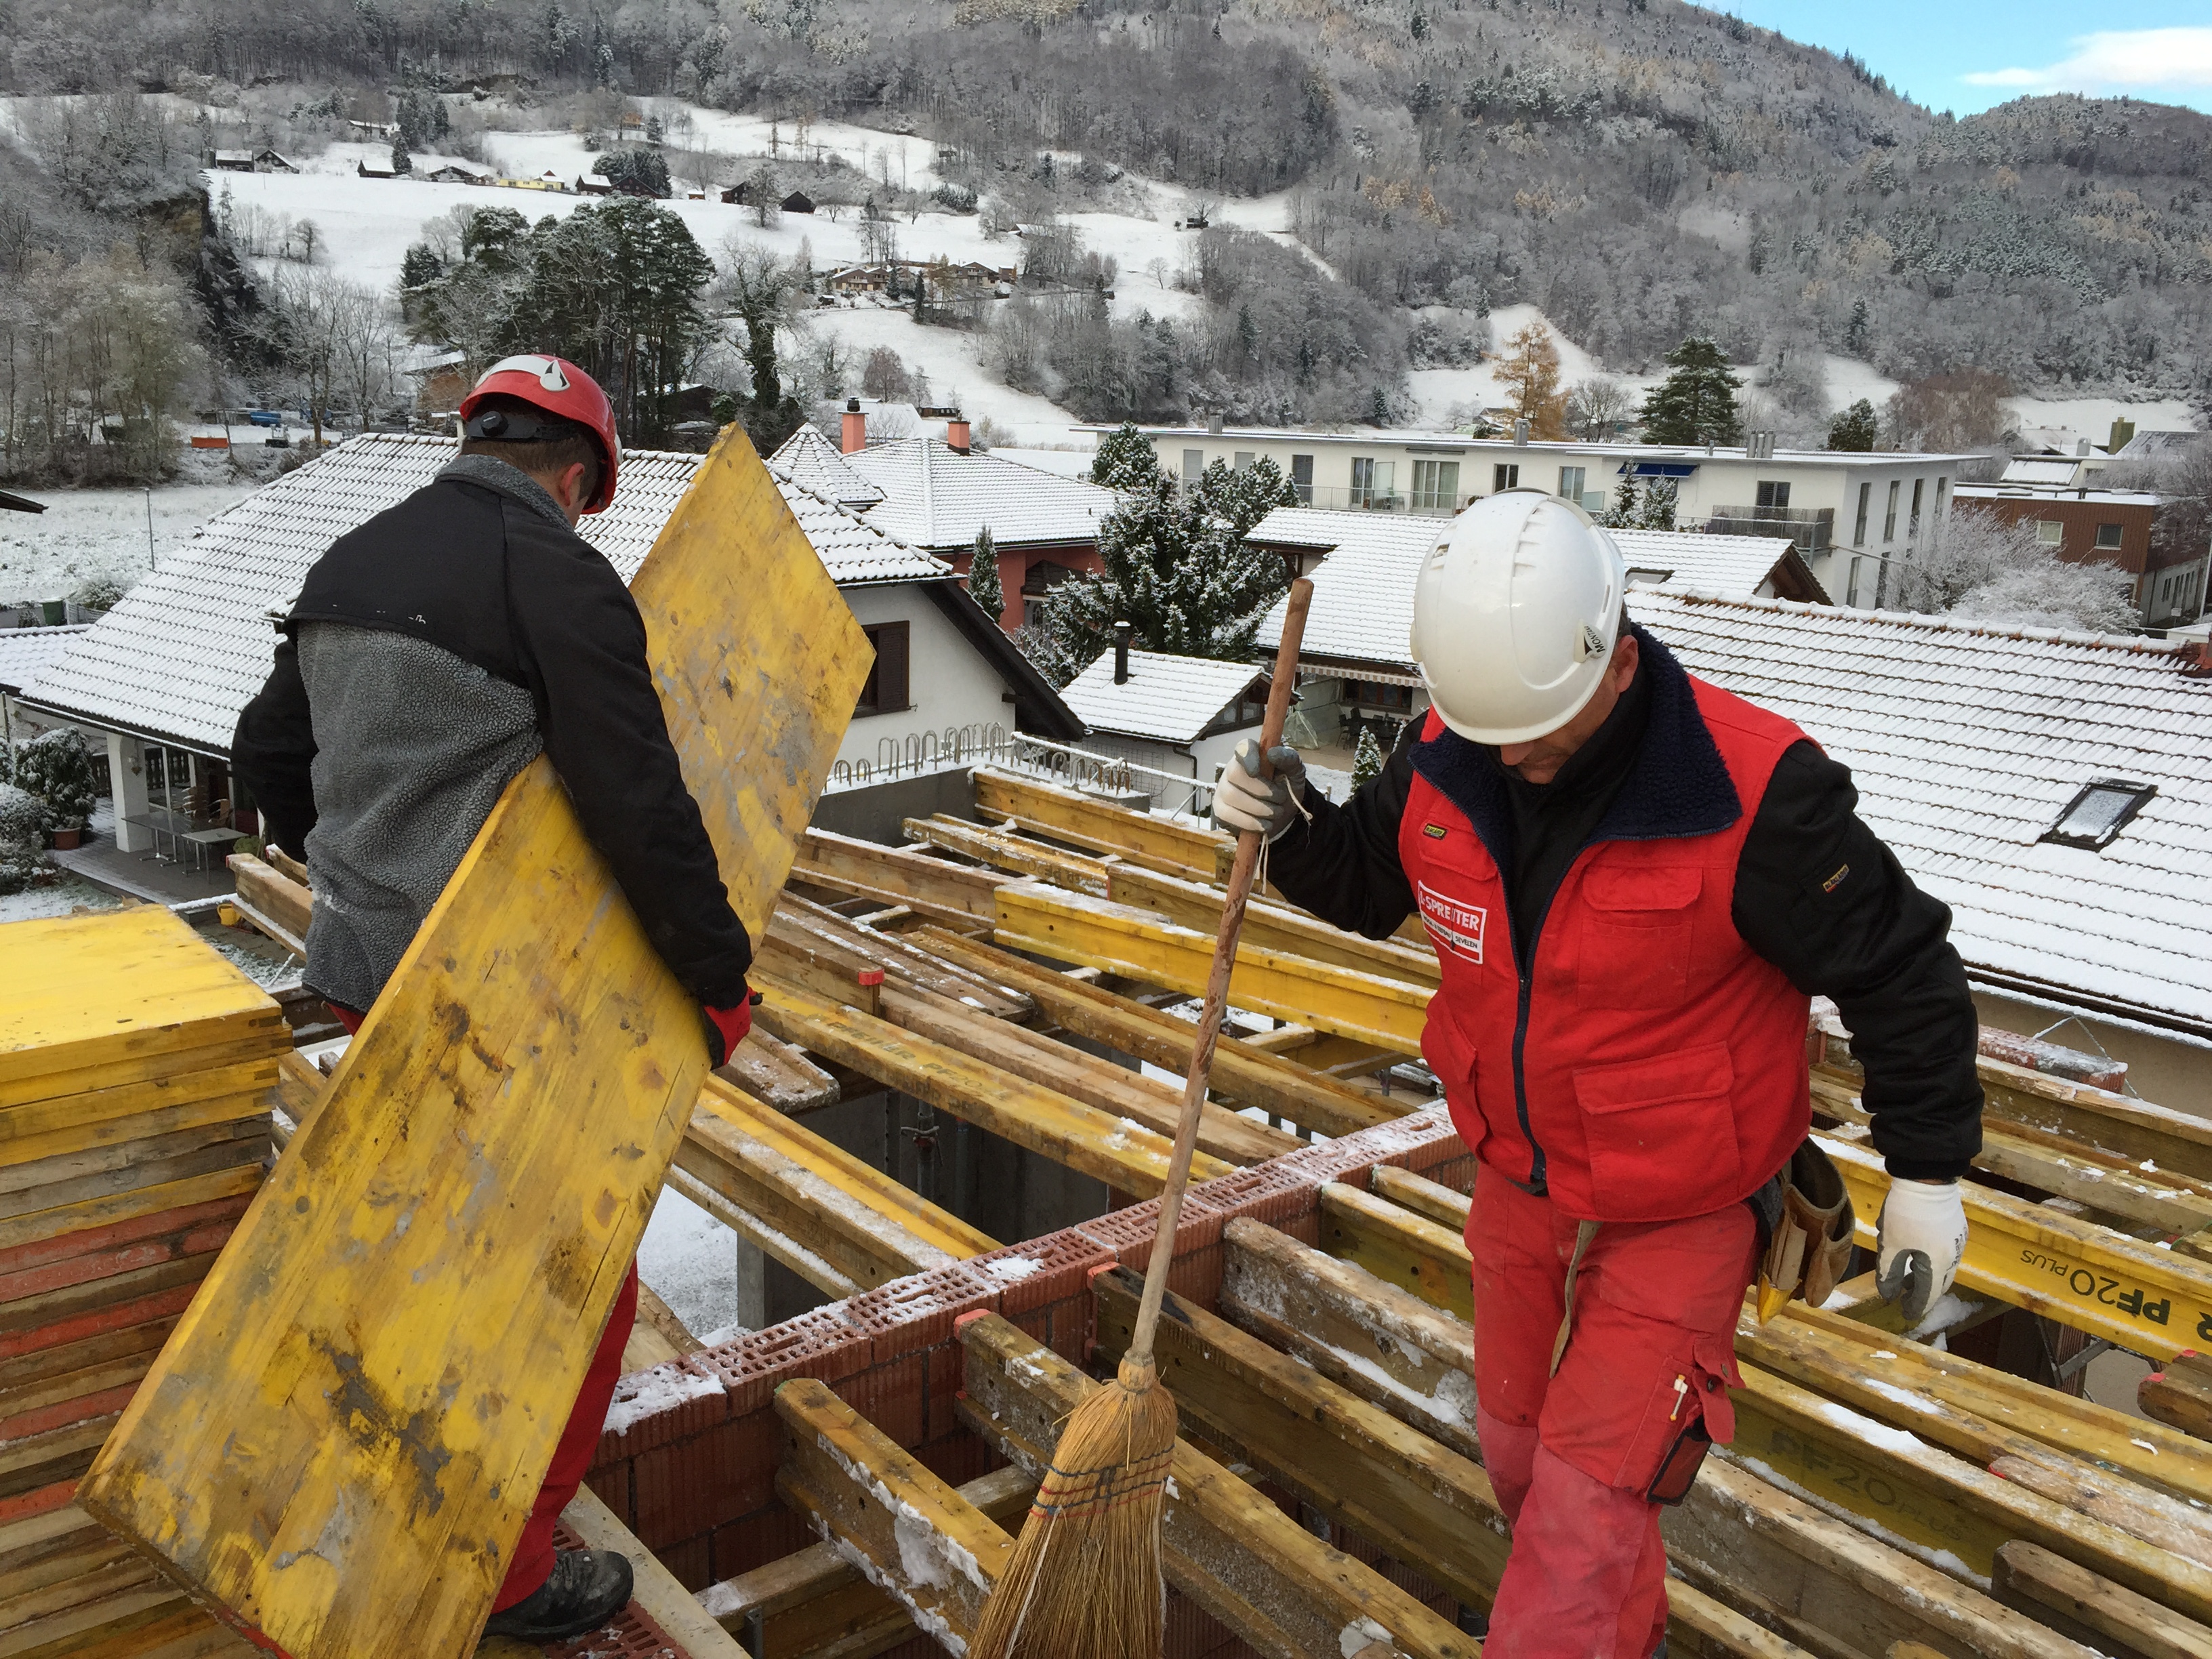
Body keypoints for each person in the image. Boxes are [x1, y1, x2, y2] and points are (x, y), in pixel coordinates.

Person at [1213, 490, 1980, 1659]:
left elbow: (1900, 967)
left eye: (1537, 731)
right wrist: (1289, 828)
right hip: (1522, 1178)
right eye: (1490, 732)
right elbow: (1369, 881)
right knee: (1522, 1461)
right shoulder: (1454, 749)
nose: (1513, 758)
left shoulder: (1758, 795)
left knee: (1586, 1512)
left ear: (1618, 663)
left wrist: (1927, 1173)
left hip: (1684, 1203)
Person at [231, 354, 758, 1645]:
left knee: (423, 1241)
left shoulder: (351, 560)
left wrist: (351, 875)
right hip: (493, 996)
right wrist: (715, 977)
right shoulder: (553, 572)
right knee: (567, 1275)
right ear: (577, 478)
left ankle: (378, 1493)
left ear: (476, 439)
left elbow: (266, 757)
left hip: (367, 980)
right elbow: (637, 798)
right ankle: (512, 1569)